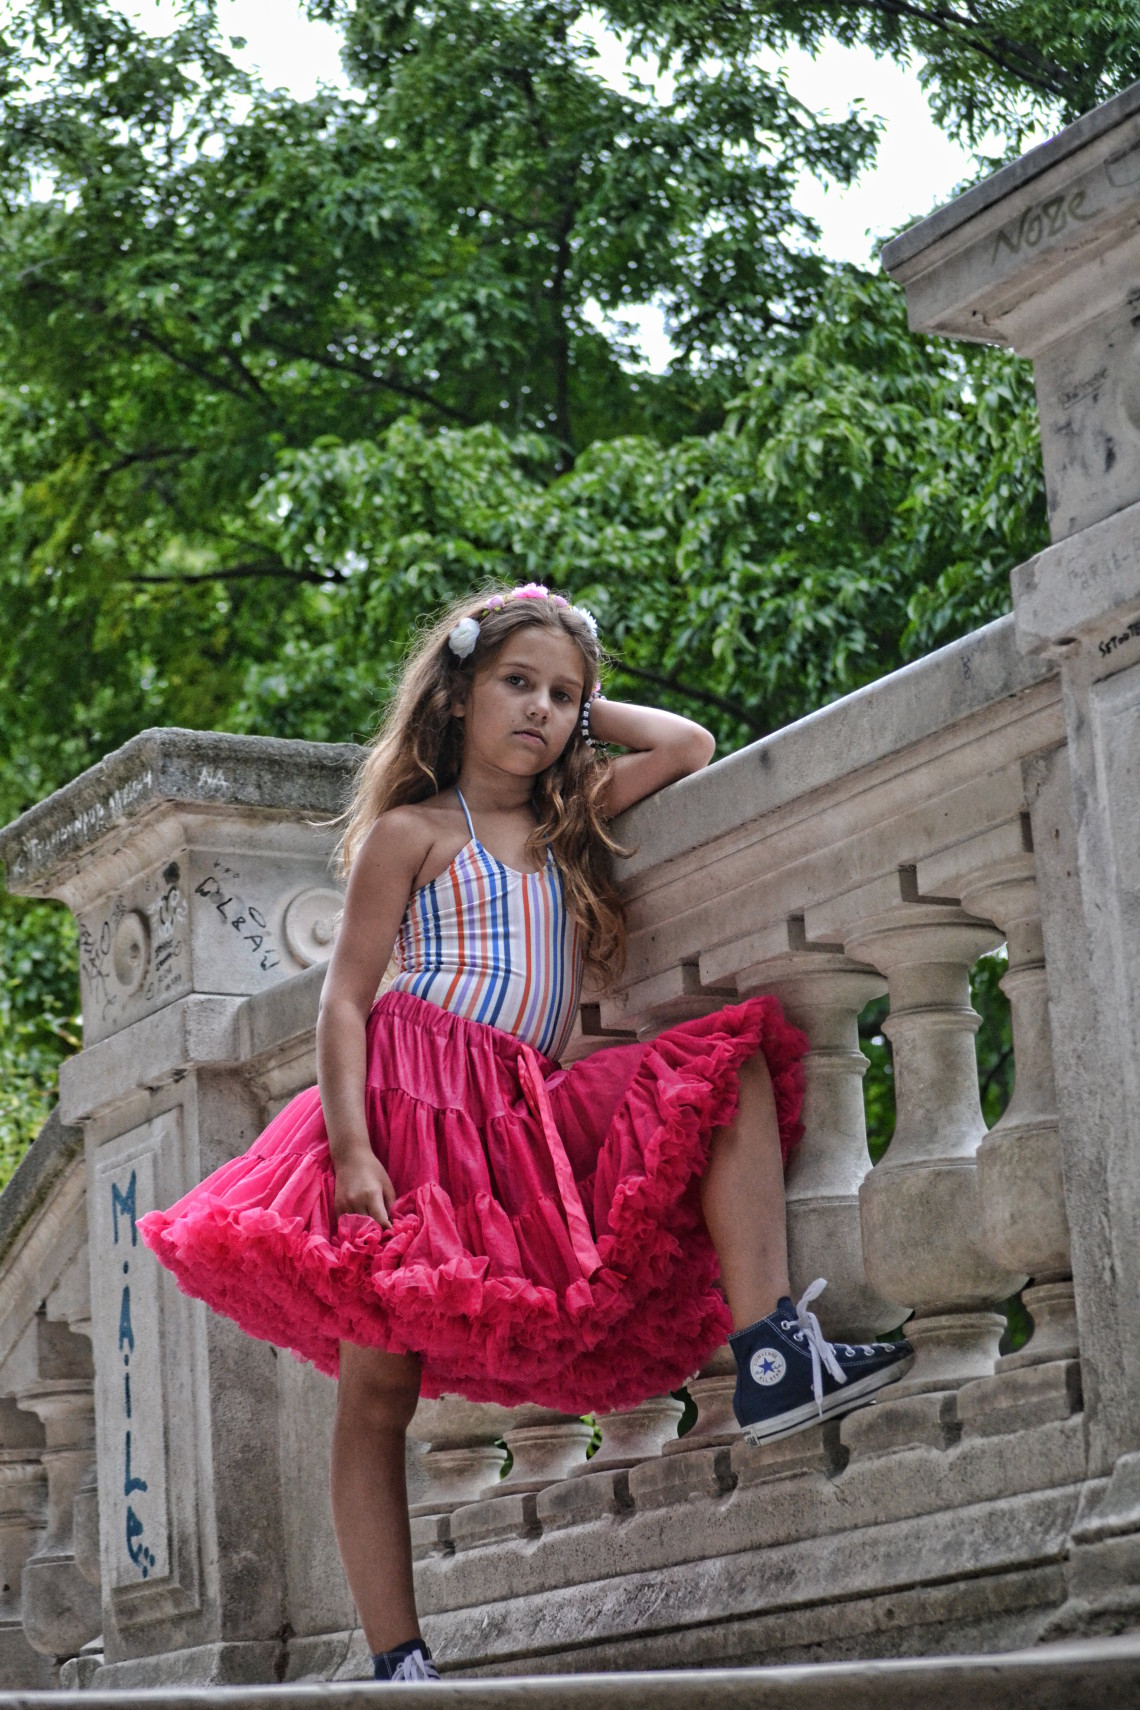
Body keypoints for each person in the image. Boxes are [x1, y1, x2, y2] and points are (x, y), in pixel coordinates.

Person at [139, 582, 911, 1684]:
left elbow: (689, 743)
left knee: (723, 1065)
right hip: (410, 1101)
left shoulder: (567, 824)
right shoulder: (409, 834)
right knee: (378, 1390)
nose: (541, 711)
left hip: (521, 1109)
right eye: (517, 685)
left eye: (562, 695)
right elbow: (345, 1000)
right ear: (457, 697)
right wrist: (354, 1151)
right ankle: (397, 1655)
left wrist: (585, 708)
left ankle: (774, 1352)